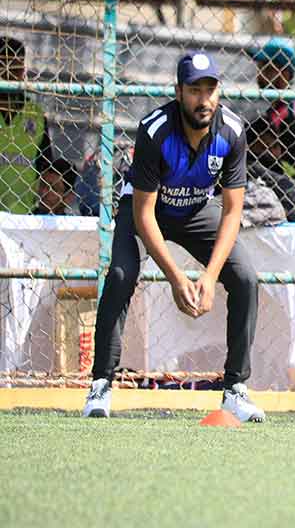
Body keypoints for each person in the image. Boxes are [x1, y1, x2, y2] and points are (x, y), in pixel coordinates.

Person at [84, 51, 264, 422]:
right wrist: (176, 277)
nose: (204, 99)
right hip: (147, 210)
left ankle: (235, 389)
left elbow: (232, 212)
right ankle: (100, 385)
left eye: (210, 89)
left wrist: (210, 277)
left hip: (197, 209)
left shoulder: (232, 131)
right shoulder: (155, 131)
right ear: (178, 92)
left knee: (245, 277)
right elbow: (144, 214)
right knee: (120, 274)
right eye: (195, 90)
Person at [0, 36, 53, 214]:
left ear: (22, 71)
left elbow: (46, 165)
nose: (8, 74)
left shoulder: (34, 114)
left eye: (15, 68)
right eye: (3, 67)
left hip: (24, 213)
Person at [249, 37, 295, 170]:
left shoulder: (291, 117)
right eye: (260, 68)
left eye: (267, 69)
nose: (260, 75)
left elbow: (293, 167)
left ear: (285, 75)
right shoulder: (276, 109)